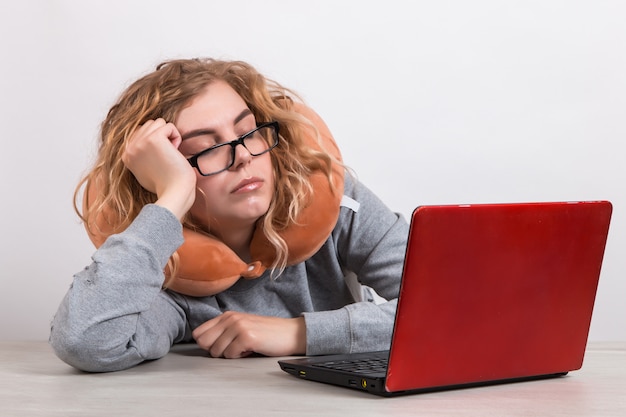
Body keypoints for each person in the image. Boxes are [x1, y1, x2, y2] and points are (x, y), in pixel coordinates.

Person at [49, 58, 409, 372]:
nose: (243, 157)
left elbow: (454, 305)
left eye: (248, 131)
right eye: (208, 148)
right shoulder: (169, 270)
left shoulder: (334, 200)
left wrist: (297, 333)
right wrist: (171, 198)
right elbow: (85, 341)